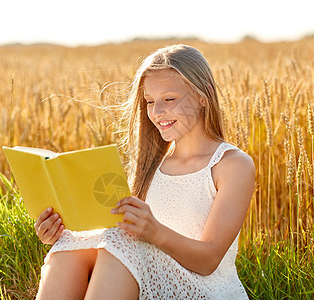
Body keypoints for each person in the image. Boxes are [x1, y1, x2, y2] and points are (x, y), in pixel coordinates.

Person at [34, 44, 255, 299]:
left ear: (203, 96)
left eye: (169, 99)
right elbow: (120, 234)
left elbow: (208, 260)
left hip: (206, 289)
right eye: (150, 101)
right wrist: (63, 232)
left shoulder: (231, 165)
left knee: (120, 244)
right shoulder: (152, 165)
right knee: (71, 245)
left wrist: (155, 231)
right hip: (150, 277)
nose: (157, 112)